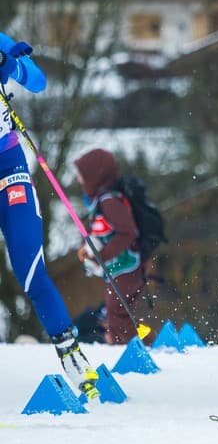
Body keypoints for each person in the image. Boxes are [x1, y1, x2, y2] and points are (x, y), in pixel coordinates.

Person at [0, 32, 99, 399]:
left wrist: (8, 60)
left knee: (30, 268)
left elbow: (38, 81)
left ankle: (71, 354)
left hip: (7, 167)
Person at [74, 149, 145, 344]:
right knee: (119, 317)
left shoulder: (109, 201)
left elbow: (128, 232)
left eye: (82, 175)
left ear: (94, 175)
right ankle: (154, 346)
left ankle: (144, 353)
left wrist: (102, 256)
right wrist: (87, 248)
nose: (79, 180)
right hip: (119, 269)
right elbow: (103, 231)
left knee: (116, 318)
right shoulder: (100, 201)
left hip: (128, 267)